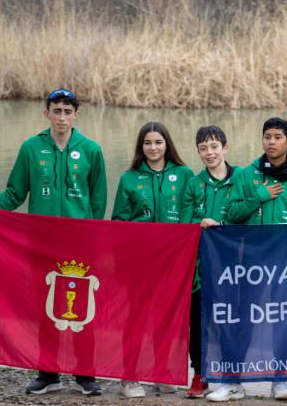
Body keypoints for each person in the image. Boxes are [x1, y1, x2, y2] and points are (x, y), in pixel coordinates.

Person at [0, 88, 107, 396]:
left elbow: (99, 201)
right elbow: (14, 194)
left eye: (67, 111)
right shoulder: (31, 148)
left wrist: (92, 238)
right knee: (47, 308)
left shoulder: (91, 149)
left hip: (80, 244)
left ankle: (85, 374)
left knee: (83, 308)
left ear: (76, 115)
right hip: (42, 244)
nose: (61, 117)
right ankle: (48, 373)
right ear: (46, 113)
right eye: (56, 110)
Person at [223, 117, 287, 401]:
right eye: (267, 137)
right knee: (244, 319)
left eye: (277, 137)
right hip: (251, 262)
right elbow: (231, 214)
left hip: (285, 264)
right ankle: (234, 380)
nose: (271, 142)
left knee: (281, 321)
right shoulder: (246, 175)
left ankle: (279, 380)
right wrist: (259, 196)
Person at [111, 121, 193, 398]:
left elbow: (189, 213)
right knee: (136, 320)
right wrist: (121, 262)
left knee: (165, 319)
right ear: (141, 147)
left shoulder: (184, 175)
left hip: (171, 262)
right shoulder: (130, 177)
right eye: (148, 143)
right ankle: (130, 377)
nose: (153, 147)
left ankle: (162, 373)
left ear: (167, 144)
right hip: (139, 264)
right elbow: (119, 223)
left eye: (158, 142)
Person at [179, 125, 238, 400]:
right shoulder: (193, 183)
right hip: (201, 268)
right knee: (198, 323)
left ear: (225, 148)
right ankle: (199, 375)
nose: (209, 153)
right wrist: (198, 223)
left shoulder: (241, 179)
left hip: (233, 267)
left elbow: (247, 216)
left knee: (230, 322)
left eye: (214, 147)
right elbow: (182, 220)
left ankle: (232, 376)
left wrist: (223, 225)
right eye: (203, 148)